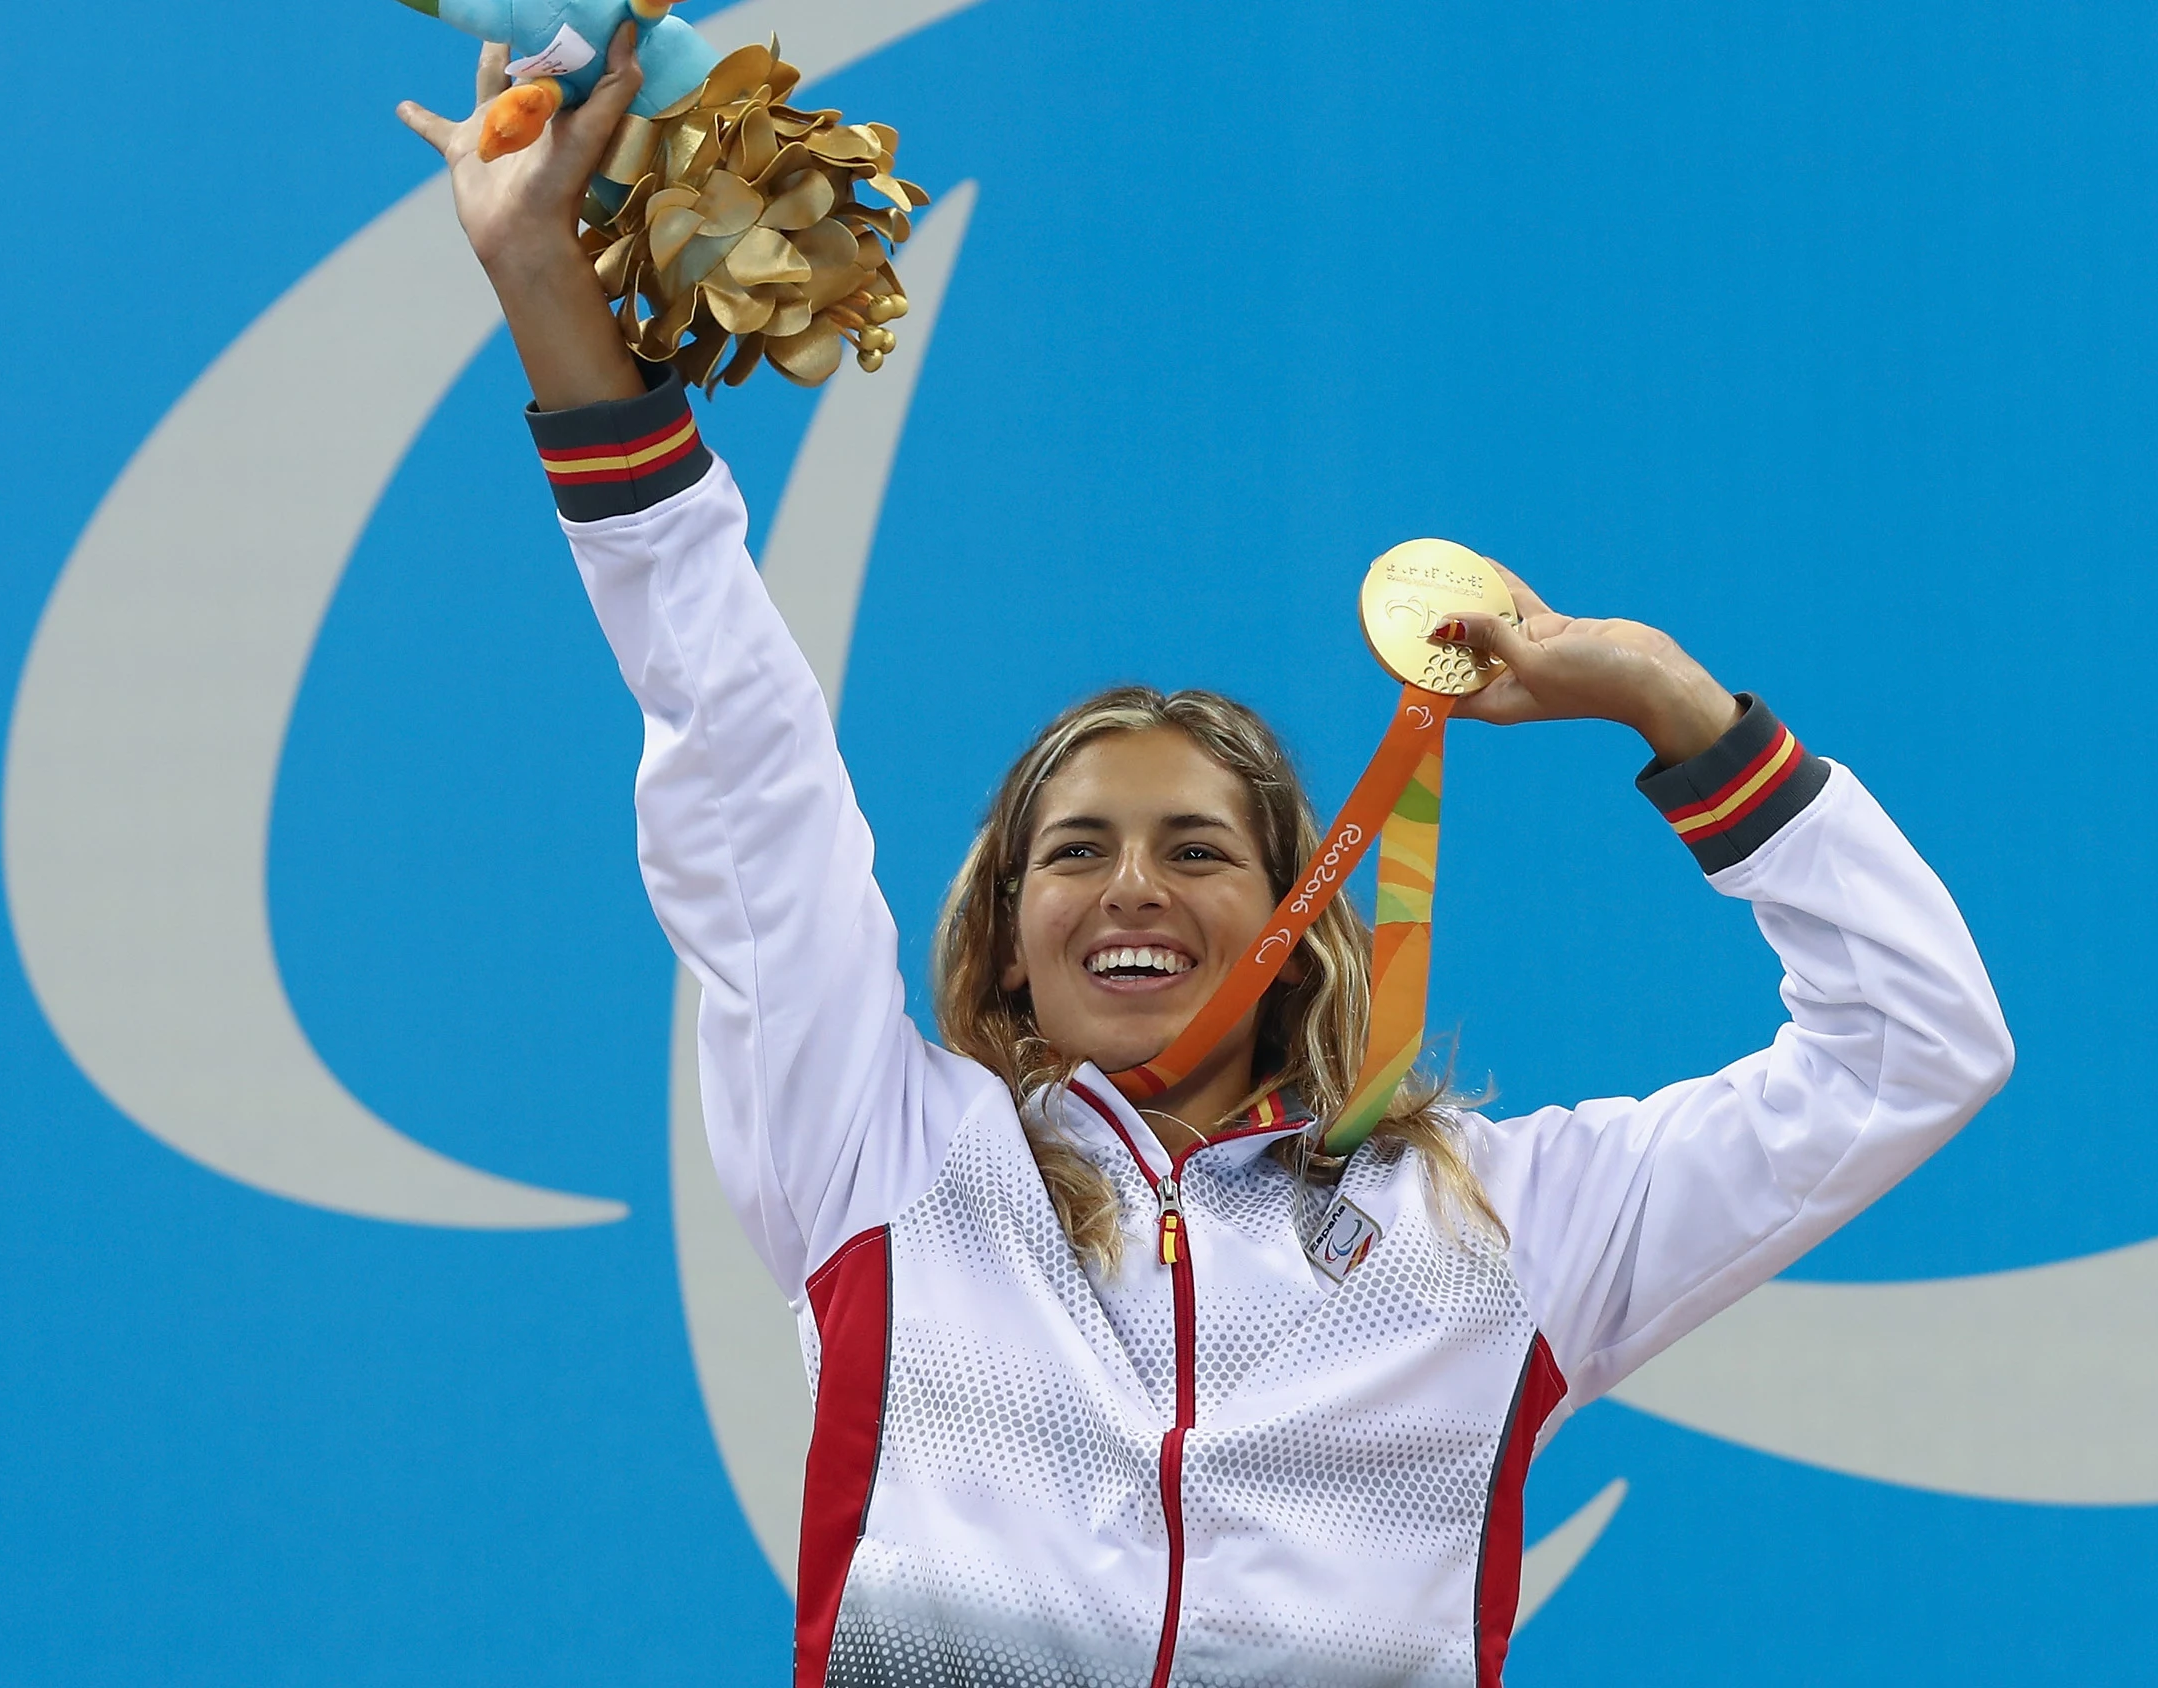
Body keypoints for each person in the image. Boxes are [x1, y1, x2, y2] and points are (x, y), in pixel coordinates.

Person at [403, 30, 2013, 1688]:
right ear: (1006, 926)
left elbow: (1916, 1050)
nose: (1132, 891)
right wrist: (543, 276)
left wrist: (1678, 711)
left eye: (1196, 851)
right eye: (1077, 852)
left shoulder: (1498, 1231)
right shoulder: (877, 1156)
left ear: (1300, 918)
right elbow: (739, 749)